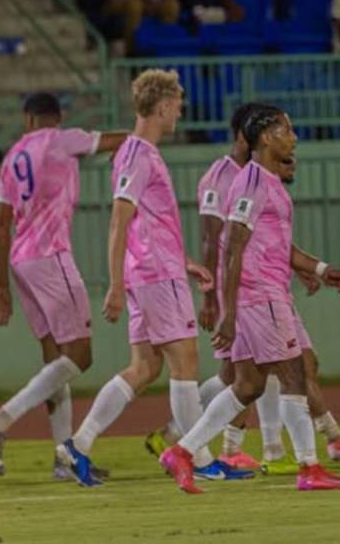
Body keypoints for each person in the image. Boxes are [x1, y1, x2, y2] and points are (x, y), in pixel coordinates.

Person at [145, 105, 340, 473]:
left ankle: (182, 451)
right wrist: (228, 311)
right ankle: (309, 467)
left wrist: (320, 268)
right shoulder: (251, 182)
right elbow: (232, 244)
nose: (294, 136)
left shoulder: (266, 181)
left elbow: (277, 245)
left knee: (249, 384)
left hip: (264, 294)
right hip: (260, 296)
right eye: (286, 129)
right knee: (293, 374)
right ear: (266, 137)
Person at [54, 70, 252, 487]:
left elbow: (148, 224)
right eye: (177, 104)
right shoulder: (139, 154)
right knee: (186, 362)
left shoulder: (133, 153)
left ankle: (78, 445)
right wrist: (113, 285)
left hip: (153, 272)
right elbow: (118, 222)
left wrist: (183, 260)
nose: (180, 110)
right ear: (163, 107)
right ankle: (197, 458)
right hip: (154, 278)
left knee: (144, 368)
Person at [0, 95, 126, 479]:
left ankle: (63, 460)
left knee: (55, 359)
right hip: (51, 254)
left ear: (27, 118)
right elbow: (120, 139)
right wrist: (124, 151)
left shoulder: (12, 157)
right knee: (80, 355)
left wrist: (2, 286)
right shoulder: (61, 139)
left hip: (22, 262)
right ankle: (1, 421)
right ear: (57, 118)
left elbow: (0, 226)